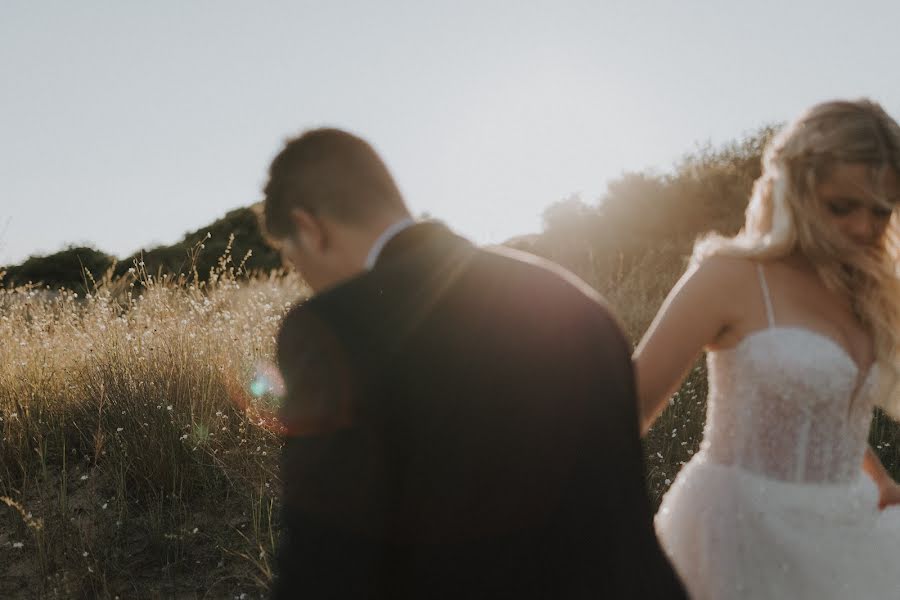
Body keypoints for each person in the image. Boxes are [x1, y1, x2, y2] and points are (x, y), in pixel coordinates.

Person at [260, 128, 686, 598]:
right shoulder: (576, 302)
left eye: (291, 257)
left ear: (311, 228)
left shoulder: (332, 328)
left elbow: (325, 559)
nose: (304, 279)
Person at [635, 99, 900, 599]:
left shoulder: (864, 294)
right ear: (795, 190)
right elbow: (624, 411)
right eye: (841, 206)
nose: (864, 228)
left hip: (846, 537)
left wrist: (880, 479)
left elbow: (821, 404)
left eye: (881, 211)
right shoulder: (729, 277)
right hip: (737, 536)